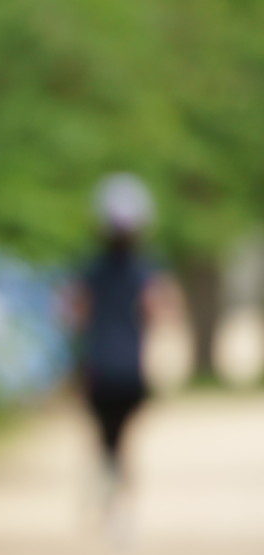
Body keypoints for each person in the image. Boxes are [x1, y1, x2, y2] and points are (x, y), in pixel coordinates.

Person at [70, 173, 178, 534]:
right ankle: (118, 507)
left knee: (106, 439)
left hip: (98, 368)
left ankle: (109, 496)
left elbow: (74, 315)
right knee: (122, 441)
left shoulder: (90, 268)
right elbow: (161, 311)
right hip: (131, 369)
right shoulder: (147, 269)